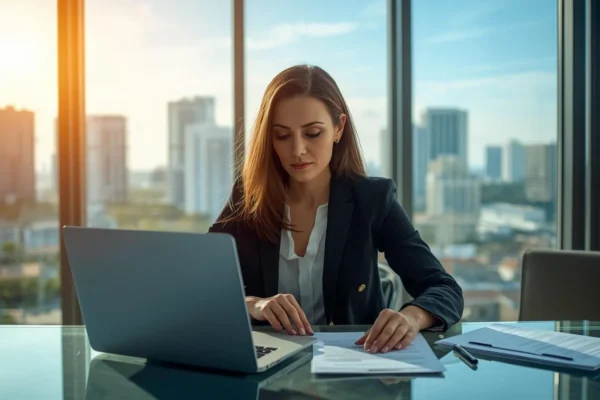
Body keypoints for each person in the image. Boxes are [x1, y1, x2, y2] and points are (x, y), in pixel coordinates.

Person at [209, 64, 463, 354]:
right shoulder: (247, 198)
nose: (297, 150)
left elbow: (445, 288)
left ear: (338, 128)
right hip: (266, 369)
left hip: (353, 371)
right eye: (282, 135)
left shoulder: (372, 199)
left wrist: (411, 317)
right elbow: (203, 288)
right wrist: (255, 304)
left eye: (313, 133)